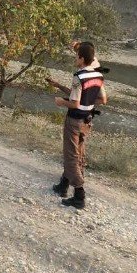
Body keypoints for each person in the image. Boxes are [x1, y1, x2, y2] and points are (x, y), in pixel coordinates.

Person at [50, 41, 107, 210]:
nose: (75, 58)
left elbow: (74, 103)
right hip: (87, 120)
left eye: (76, 56)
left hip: (74, 120)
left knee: (71, 156)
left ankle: (79, 194)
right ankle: (63, 185)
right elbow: (102, 99)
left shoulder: (79, 76)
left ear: (81, 58)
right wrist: (60, 86)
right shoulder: (98, 75)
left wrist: (61, 102)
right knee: (79, 154)